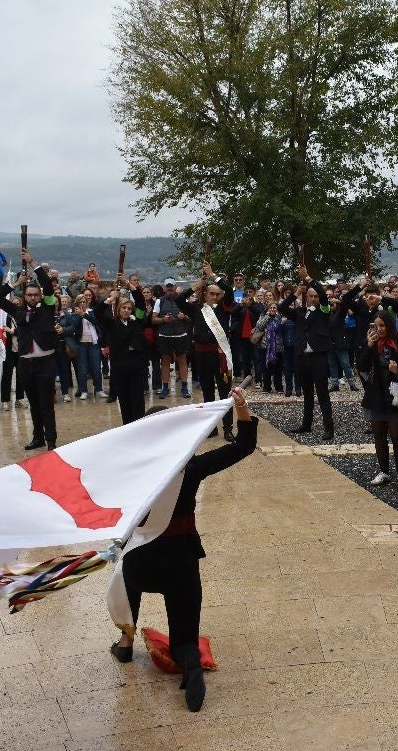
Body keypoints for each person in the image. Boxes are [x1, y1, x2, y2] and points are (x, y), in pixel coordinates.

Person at [107, 388, 258, 712]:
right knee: (185, 641)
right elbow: (244, 445)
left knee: (127, 562)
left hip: (140, 569)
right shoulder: (191, 469)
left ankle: (126, 642)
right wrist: (241, 406)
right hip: (181, 565)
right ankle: (191, 667)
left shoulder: (128, 471)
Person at [0, 250, 60, 451]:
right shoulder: (18, 311)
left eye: (35, 295)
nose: (32, 297)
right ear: (24, 296)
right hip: (26, 364)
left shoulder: (48, 307)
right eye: (29, 295)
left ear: (39, 296)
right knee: (33, 403)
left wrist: (33, 264)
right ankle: (37, 437)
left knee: (47, 405)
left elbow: (47, 285)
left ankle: (51, 441)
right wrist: (14, 283)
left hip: (46, 362)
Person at [176, 263, 236, 441]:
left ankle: (227, 428)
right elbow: (179, 300)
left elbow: (230, 292)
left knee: (225, 393)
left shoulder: (225, 308)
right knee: (208, 393)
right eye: (212, 293)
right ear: (205, 294)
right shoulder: (196, 308)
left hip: (220, 355)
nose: (215, 297)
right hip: (201, 355)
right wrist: (195, 287)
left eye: (218, 294)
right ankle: (211, 427)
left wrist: (213, 276)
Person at [359, 315, 398, 486]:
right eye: (376, 326)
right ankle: (384, 471)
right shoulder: (369, 343)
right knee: (378, 434)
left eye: (383, 325)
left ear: (389, 325)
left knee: (397, 433)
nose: (379, 329)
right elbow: (361, 366)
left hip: (396, 392)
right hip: (376, 392)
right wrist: (369, 347)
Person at [279, 266, 335, 441]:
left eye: (315, 296)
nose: (313, 298)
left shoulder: (324, 310)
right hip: (302, 356)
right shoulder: (299, 312)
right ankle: (306, 424)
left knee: (322, 393)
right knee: (307, 393)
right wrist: (295, 293)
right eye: (310, 296)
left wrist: (308, 278)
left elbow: (323, 295)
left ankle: (328, 427)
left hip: (319, 356)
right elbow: (281, 307)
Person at [97, 279, 151, 424]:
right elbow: (98, 312)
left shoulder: (137, 321)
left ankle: (139, 427)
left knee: (138, 399)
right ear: (118, 309)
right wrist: (111, 298)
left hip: (137, 366)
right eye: (124, 308)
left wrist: (127, 283)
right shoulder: (112, 324)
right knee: (125, 399)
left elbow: (140, 300)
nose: (126, 310)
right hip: (120, 367)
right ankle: (127, 427)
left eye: (129, 308)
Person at [153, 279, 192, 399]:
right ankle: (165, 388)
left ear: (175, 287)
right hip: (165, 336)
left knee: (182, 362)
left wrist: (184, 317)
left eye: (171, 286)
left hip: (180, 335)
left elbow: (192, 318)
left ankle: (184, 387)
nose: (169, 289)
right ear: (164, 288)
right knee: (165, 363)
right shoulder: (160, 301)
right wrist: (163, 320)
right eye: (167, 287)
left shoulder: (183, 300)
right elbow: (153, 319)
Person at [255, 303, 285, 394]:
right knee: (265, 368)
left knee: (278, 369)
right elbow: (259, 326)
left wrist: (276, 317)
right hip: (265, 346)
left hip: (277, 346)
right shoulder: (263, 315)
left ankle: (278, 387)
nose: (272, 309)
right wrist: (267, 316)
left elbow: (280, 327)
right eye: (271, 308)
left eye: (274, 307)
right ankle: (267, 387)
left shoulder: (279, 316)